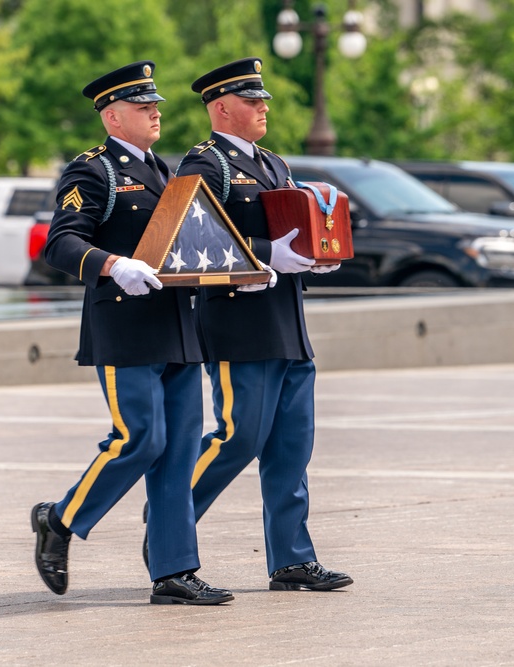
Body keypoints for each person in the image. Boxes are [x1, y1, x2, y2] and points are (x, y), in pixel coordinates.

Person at [31, 61, 232, 605]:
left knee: (178, 452)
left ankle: (174, 573)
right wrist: (112, 263)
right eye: (145, 108)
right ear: (114, 116)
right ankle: (60, 519)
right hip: (125, 327)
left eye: (157, 106)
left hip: (177, 329)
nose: (157, 113)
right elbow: (61, 242)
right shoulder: (92, 171)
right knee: (140, 439)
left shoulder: (166, 171)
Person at [172, 58, 352, 591]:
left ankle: (292, 560)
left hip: (287, 324)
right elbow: (190, 241)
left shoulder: (273, 164)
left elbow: (291, 227)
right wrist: (269, 252)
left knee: (291, 447)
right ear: (222, 107)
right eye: (253, 101)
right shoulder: (204, 164)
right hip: (239, 325)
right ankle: (168, 526)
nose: (263, 107)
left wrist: (317, 255)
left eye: (263, 99)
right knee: (239, 437)